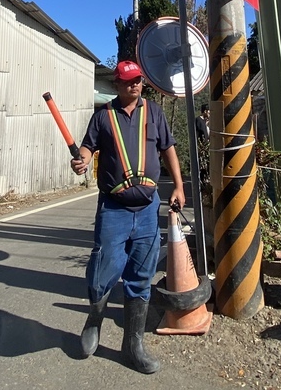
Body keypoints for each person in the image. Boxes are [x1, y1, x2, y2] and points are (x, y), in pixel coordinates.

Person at [71, 59, 185, 374]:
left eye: (137, 81)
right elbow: (86, 149)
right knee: (102, 270)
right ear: (117, 85)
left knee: (140, 276)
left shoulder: (155, 113)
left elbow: (169, 149)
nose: (133, 85)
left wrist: (178, 185)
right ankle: (94, 319)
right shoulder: (103, 116)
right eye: (126, 81)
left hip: (148, 208)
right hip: (113, 208)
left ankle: (132, 345)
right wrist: (80, 162)